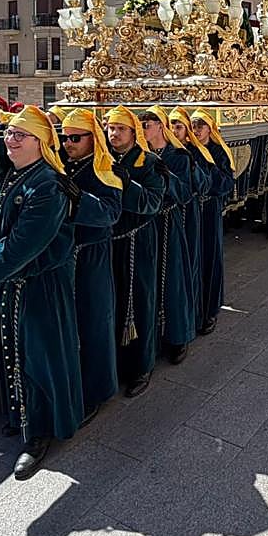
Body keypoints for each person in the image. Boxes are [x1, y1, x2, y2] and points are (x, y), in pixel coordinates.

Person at [0, 106, 83, 480]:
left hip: (38, 286)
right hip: (10, 283)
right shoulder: (8, 176)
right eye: (8, 132)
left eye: (20, 135)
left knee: (40, 358)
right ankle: (20, 416)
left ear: (41, 143)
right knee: (14, 353)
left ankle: (41, 432)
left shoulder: (48, 184)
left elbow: (25, 243)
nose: (10, 139)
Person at [61, 108, 124, 418]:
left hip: (91, 256)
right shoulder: (62, 166)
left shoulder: (104, 169)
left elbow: (111, 213)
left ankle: (97, 390)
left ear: (91, 139)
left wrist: (80, 200)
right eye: (64, 137)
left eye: (75, 137)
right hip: (63, 258)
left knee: (94, 321)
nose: (68, 143)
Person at [107, 105, 165, 398]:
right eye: (110, 128)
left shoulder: (149, 163)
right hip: (107, 243)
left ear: (133, 133)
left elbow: (153, 203)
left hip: (137, 243)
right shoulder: (102, 160)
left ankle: (142, 365)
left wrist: (127, 183)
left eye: (120, 129)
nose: (114, 134)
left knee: (140, 301)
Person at [139, 106, 196, 364]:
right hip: (146, 227)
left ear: (160, 126)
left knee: (173, 280)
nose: (143, 130)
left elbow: (185, 193)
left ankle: (178, 337)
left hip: (168, 223)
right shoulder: (141, 155)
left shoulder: (179, 156)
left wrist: (168, 176)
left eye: (147, 125)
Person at [190, 109, 235, 334]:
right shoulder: (187, 150)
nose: (196, 131)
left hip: (208, 210)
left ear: (210, 129)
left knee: (209, 257)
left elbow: (227, 183)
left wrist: (209, 172)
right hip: (190, 212)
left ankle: (210, 309)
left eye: (200, 126)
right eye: (193, 126)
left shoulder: (218, 152)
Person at [170, 106, 210, 332]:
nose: (175, 131)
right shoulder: (166, 152)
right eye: (171, 126)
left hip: (194, 215)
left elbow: (209, 184)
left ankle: (197, 315)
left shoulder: (197, 153)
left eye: (179, 126)